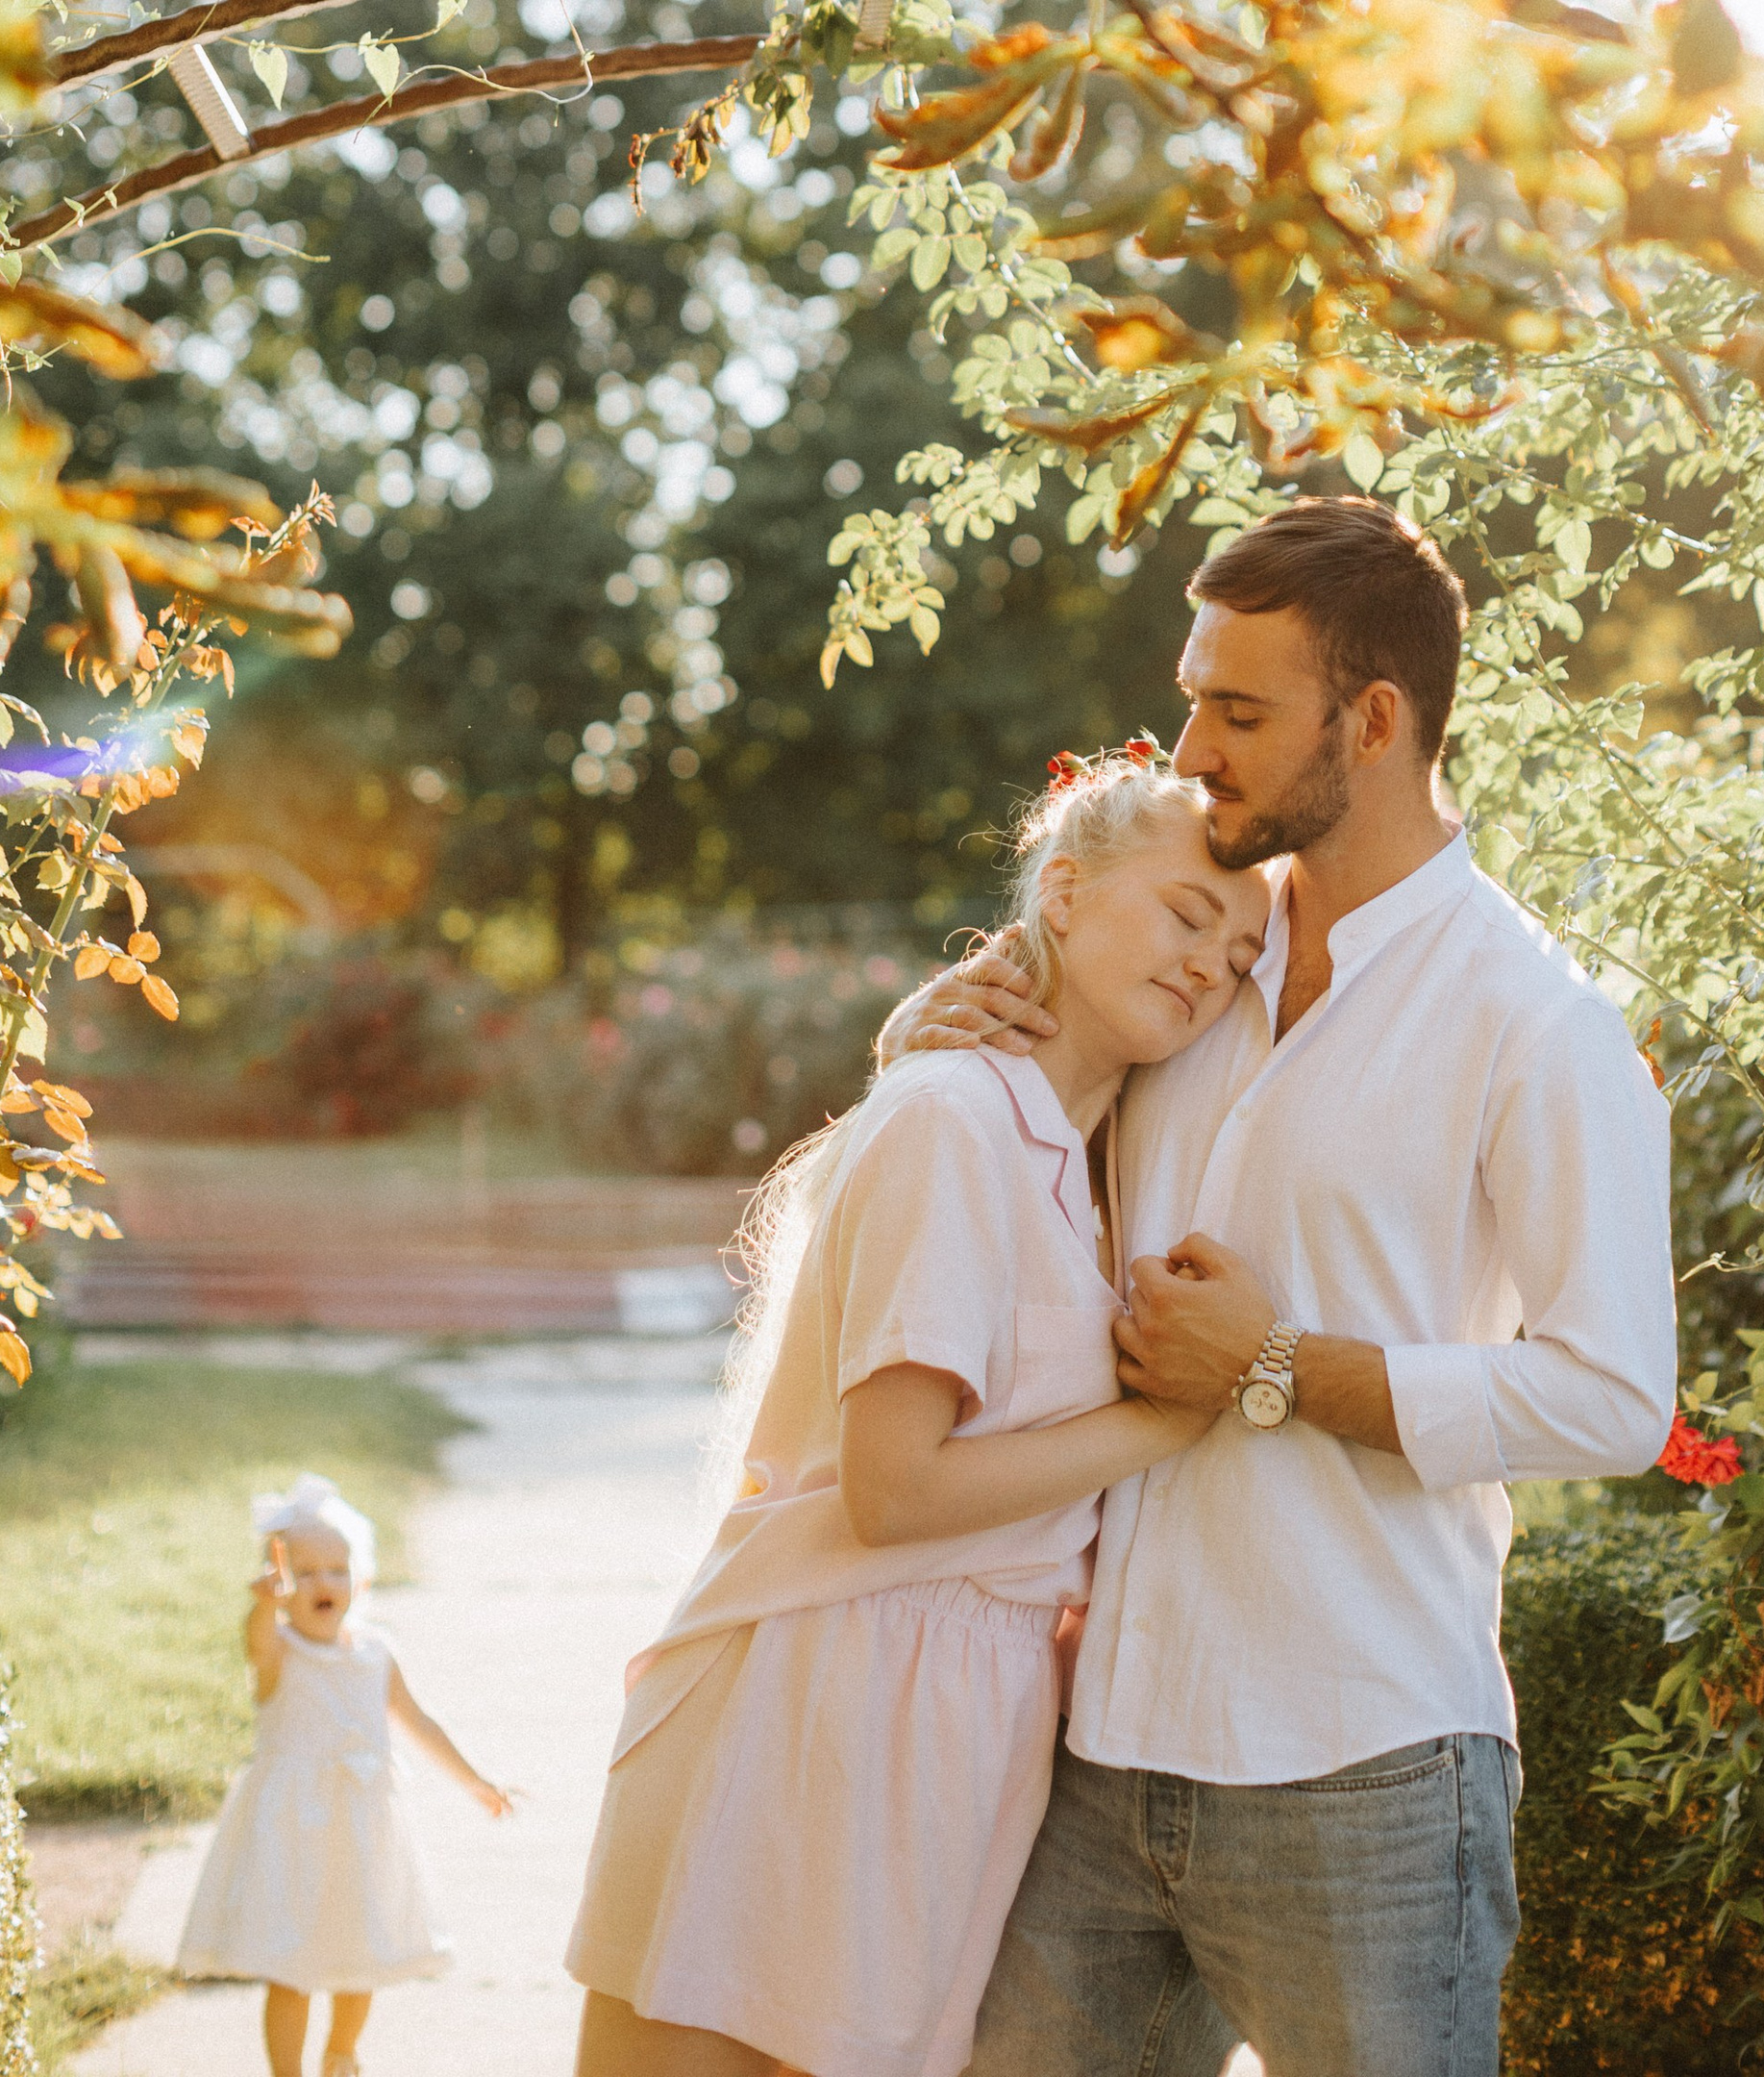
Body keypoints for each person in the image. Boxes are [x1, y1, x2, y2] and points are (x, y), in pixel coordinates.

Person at [878, 495, 1677, 2077]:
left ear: (1372, 723)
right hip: (1100, 1747)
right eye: (1193, 701)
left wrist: (1280, 1367)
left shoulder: (1536, 1025)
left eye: (1239, 713)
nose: (1193, 751)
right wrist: (933, 1040)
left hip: (1366, 1770)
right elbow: (1008, 1181)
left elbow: (1616, 1399)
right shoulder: (1187, 958)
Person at [564, 754, 1273, 2077]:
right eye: (1186, 913)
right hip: (814, 1696)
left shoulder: (1090, 1165)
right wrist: (1170, 1422)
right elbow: (893, 1490)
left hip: (953, 1725)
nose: (1205, 966)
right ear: (1063, 893)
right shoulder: (955, 1120)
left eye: (1238, 957)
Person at [174, 1470, 513, 2077]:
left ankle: (341, 2049)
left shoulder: (376, 1653)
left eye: (337, 1569)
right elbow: (256, 1646)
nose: (323, 1582)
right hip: (292, 1835)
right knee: (290, 1966)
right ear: (281, 1583)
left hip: (361, 1830)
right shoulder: (281, 1652)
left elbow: (420, 1722)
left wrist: (474, 1782)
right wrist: (262, 1607)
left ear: (360, 1579)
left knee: (362, 1954)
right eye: (304, 1572)